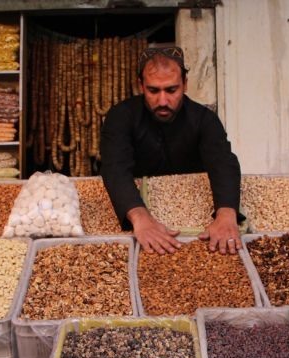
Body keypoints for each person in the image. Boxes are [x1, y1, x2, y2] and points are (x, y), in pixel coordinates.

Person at [100, 46, 243, 255]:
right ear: (140, 85)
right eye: (153, 90)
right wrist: (139, 217)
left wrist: (226, 214)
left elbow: (223, 161)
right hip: (136, 207)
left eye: (171, 90)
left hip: (195, 219)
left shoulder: (204, 119)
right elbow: (114, 167)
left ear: (185, 84)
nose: (163, 101)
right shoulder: (120, 117)